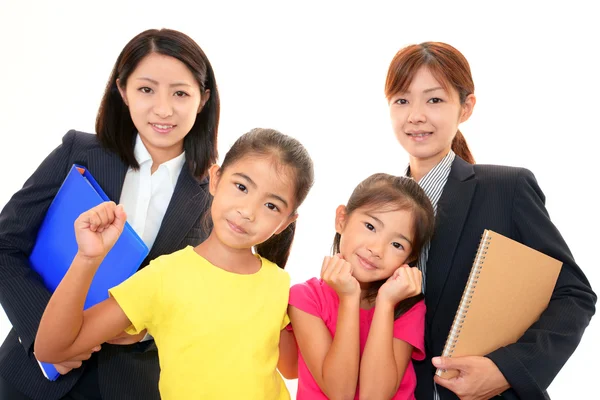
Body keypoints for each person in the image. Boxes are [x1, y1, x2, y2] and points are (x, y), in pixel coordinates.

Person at [0, 28, 220, 399]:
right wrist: (48, 338)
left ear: (202, 99)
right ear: (123, 91)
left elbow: (216, 297)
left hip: (134, 384)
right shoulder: (81, 152)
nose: (163, 109)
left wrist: (148, 329)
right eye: (146, 89)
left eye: (180, 93)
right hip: (30, 378)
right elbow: (5, 245)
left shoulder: (219, 192)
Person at [34, 128, 314, 400]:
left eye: (271, 206)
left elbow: (289, 369)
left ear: (285, 223)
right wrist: (87, 258)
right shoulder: (164, 275)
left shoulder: (279, 283)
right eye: (241, 187)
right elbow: (53, 349)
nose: (248, 211)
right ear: (215, 179)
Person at [384, 41, 597, 400]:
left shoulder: (506, 189)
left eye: (434, 100)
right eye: (401, 100)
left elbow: (573, 295)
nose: (415, 115)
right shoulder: (377, 208)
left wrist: (505, 369)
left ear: (466, 107)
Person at [288, 173, 436, 399]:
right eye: (370, 226)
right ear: (342, 220)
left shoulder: (406, 306)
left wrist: (386, 304)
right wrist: (349, 299)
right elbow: (341, 393)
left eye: (397, 244)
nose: (377, 249)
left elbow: (375, 396)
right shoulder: (305, 298)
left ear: (408, 258)